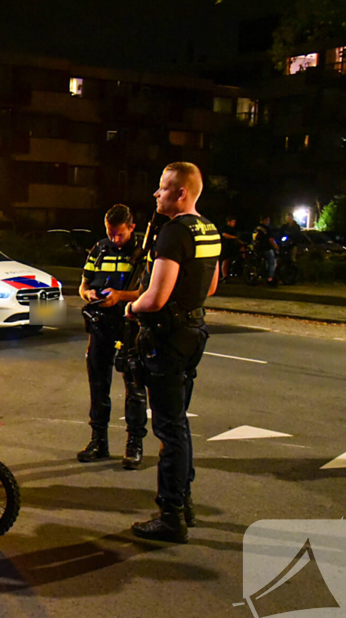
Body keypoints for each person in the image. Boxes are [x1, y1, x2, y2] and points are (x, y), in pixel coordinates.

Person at [129, 162, 220, 544]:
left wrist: (129, 308)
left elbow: (155, 297)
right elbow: (211, 286)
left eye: (163, 188)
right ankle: (184, 502)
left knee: (168, 427)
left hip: (167, 337)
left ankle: (171, 516)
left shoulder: (172, 233)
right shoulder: (209, 230)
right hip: (194, 332)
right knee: (179, 422)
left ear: (181, 193)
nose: (156, 194)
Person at [76, 204, 149, 470]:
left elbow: (148, 291)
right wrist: (90, 295)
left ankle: (134, 445)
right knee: (98, 384)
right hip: (101, 326)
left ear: (132, 227)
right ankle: (99, 441)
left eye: (120, 234)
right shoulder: (99, 249)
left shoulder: (144, 253)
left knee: (134, 387)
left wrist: (119, 296)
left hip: (130, 326)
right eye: (110, 233)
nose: (115, 239)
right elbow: (83, 285)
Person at [252, 215, 278, 285]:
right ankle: (270, 278)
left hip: (257, 248)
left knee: (265, 262)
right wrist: (276, 246)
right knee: (273, 262)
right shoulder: (266, 228)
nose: (268, 222)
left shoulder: (256, 228)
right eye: (268, 220)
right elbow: (270, 239)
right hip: (266, 248)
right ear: (265, 220)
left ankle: (263, 275)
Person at [219, 215, 243, 281]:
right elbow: (224, 235)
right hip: (226, 246)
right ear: (228, 222)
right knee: (225, 261)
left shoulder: (234, 230)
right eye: (232, 222)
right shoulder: (224, 227)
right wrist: (234, 237)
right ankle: (224, 276)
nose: (234, 224)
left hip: (233, 247)